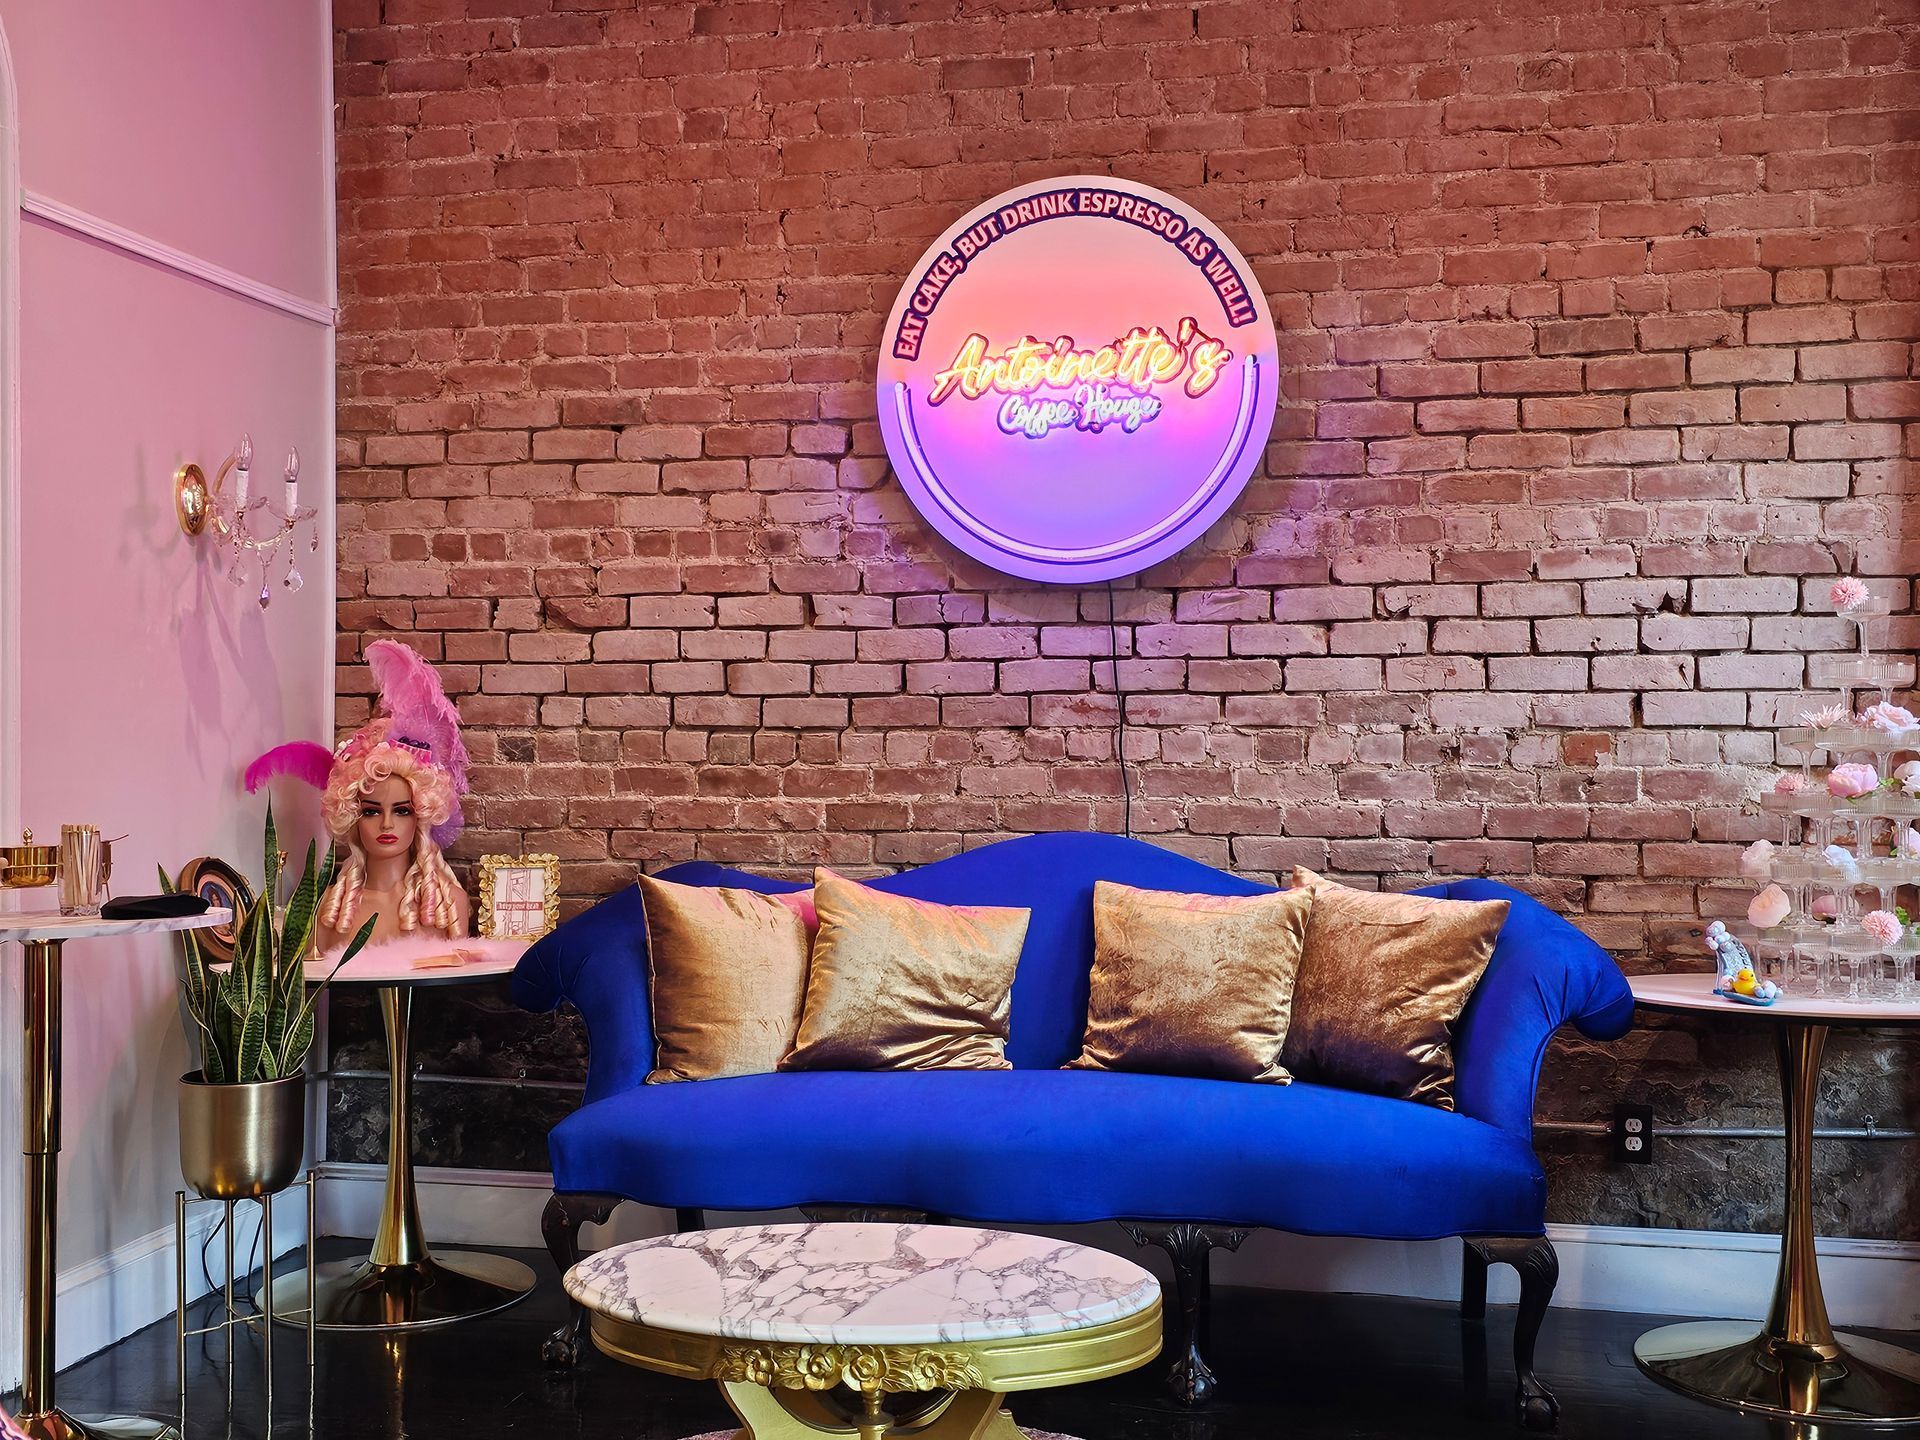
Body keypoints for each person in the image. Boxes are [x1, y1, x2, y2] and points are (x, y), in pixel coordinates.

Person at [249, 639, 471, 952]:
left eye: (402, 810)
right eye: (371, 811)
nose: (387, 824)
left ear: (421, 814)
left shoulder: (447, 905)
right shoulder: (330, 912)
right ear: (352, 815)